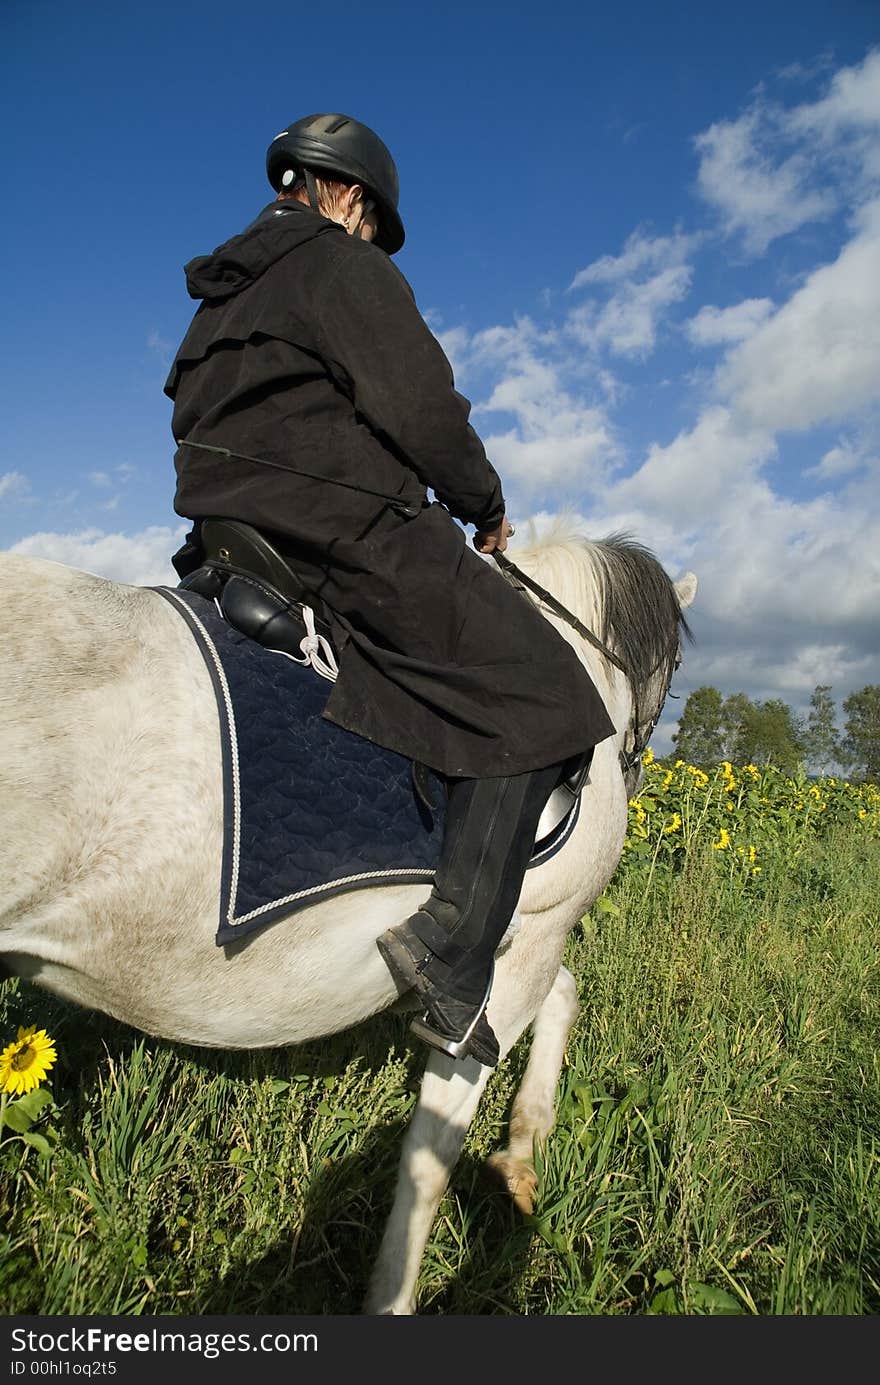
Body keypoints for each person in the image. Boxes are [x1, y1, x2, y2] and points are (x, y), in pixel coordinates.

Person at [165, 113, 616, 1067]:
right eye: (371, 223)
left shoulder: (219, 298)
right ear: (351, 198)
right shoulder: (343, 264)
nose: (369, 237)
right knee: (550, 686)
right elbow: (423, 411)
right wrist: (483, 504)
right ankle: (452, 952)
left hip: (226, 539)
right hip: (344, 535)